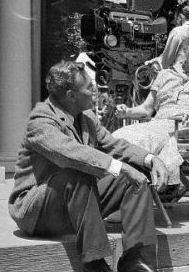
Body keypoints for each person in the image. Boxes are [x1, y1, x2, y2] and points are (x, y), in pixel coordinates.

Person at [8, 60, 168, 272]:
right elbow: (69, 153)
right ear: (71, 95)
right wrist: (120, 167)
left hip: (77, 207)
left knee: (134, 181)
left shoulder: (88, 119)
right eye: (89, 88)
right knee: (78, 171)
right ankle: (95, 264)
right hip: (39, 213)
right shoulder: (41, 119)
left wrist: (150, 159)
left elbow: (114, 145)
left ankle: (136, 261)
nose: (96, 90)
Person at [113, 24, 189, 186]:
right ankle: (126, 187)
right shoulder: (165, 73)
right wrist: (127, 112)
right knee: (118, 136)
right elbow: (146, 109)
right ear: (183, 47)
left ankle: (138, 186)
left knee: (137, 138)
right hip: (158, 126)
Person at [146, 5, 189, 69]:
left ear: (180, 17)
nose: (175, 22)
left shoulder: (178, 32)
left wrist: (151, 63)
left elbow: (166, 61)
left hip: (181, 75)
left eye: (176, 18)